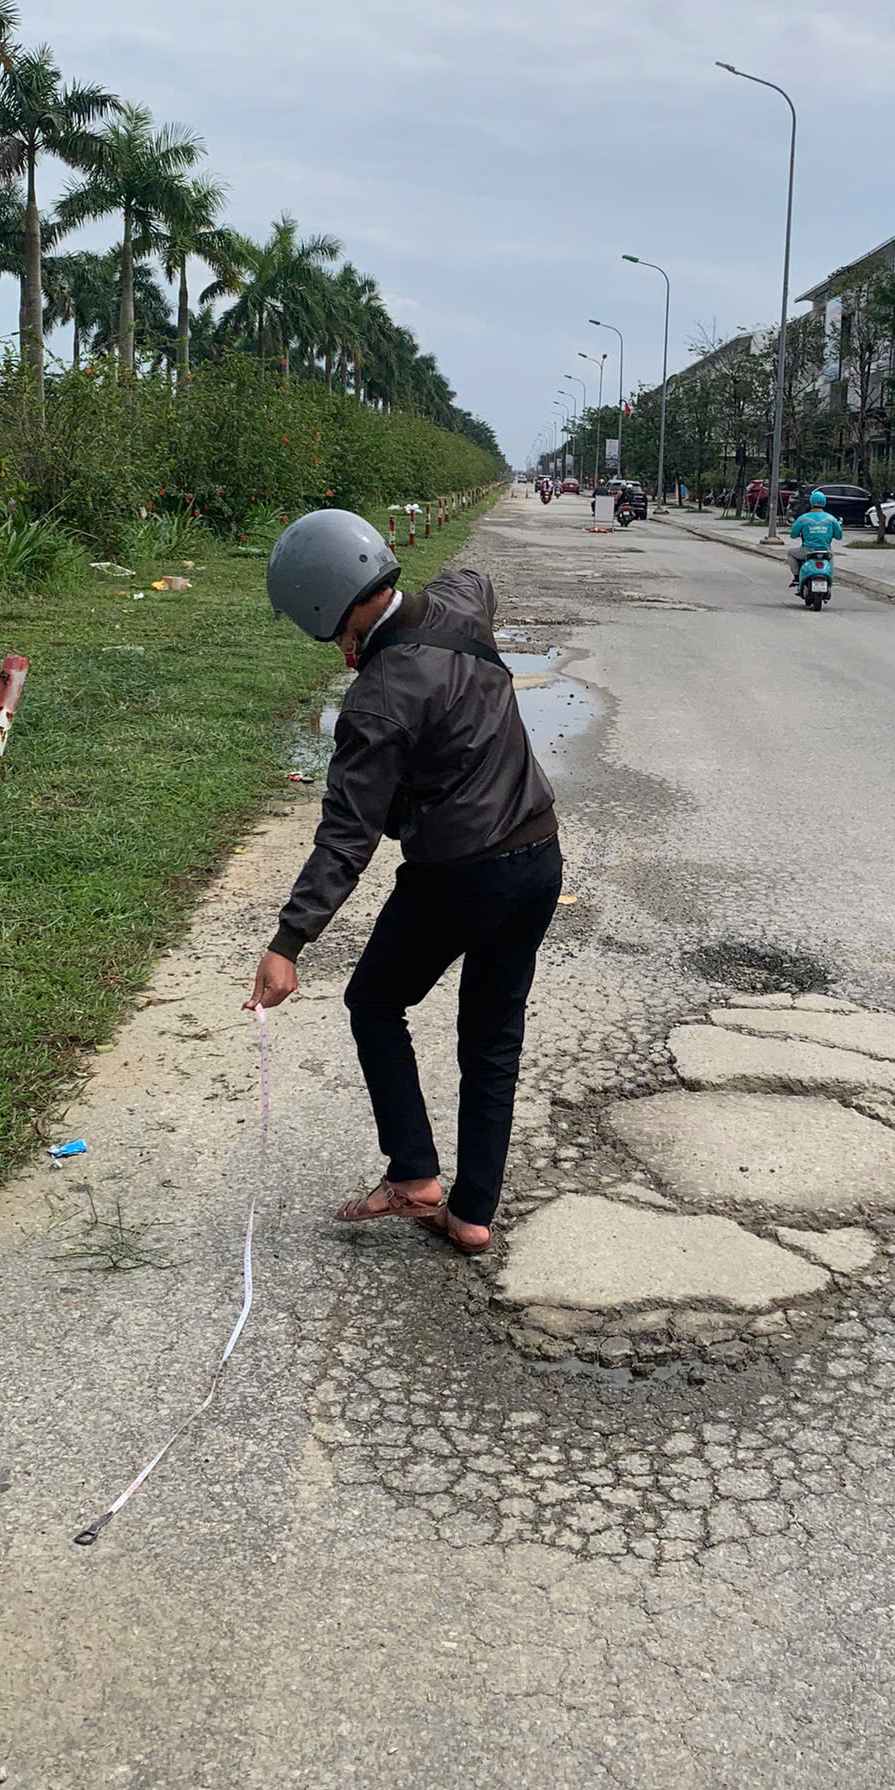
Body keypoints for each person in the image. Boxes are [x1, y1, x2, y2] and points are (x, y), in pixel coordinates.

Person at [247, 510, 561, 1254]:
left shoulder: (377, 700)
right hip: (539, 858)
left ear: (325, 605)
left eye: (326, 630)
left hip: (459, 877)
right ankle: (472, 1214)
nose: (335, 646)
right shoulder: (461, 604)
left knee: (375, 1002)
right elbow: (474, 577)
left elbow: (346, 836)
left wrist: (289, 941)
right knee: (492, 1038)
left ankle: (415, 1175)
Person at [785, 486, 843, 591]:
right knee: (831, 556)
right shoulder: (831, 518)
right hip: (826, 551)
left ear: (811, 502)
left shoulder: (803, 518)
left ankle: (797, 577)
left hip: (807, 551)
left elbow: (793, 535)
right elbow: (839, 536)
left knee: (790, 553)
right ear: (824, 502)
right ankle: (830, 578)